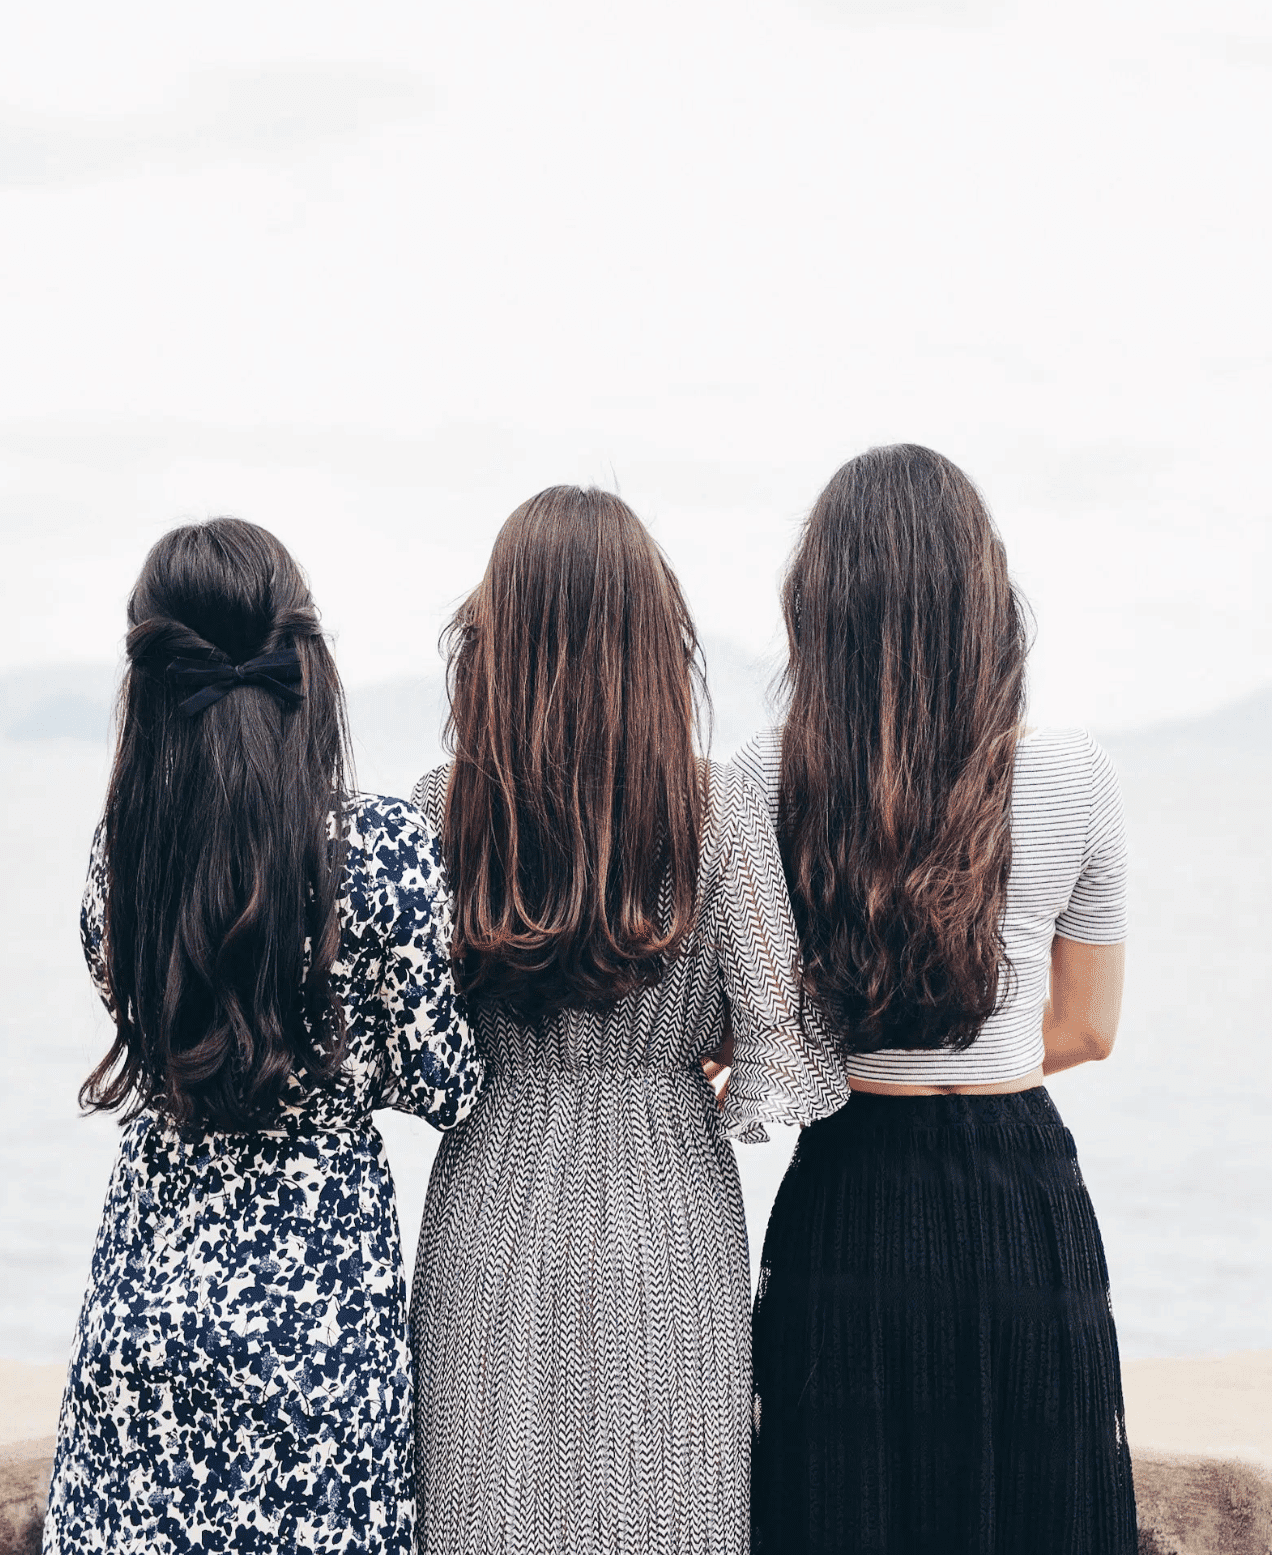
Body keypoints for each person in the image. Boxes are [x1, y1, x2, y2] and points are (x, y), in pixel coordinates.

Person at [407, 486, 846, 1555]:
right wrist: (686, 1048)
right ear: (655, 635)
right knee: (668, 1509)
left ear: (495, 637)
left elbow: (408, 1044)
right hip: (666, 1199)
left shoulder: (438, 808)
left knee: (485, 1505)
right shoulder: (717, 805)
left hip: (491, 1187)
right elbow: (788, 1032)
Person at [43, 518, 482, 1555]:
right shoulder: (380, 850)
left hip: (144, 1299)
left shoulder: (124, 858)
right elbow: (444, 1083)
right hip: (321, 1325)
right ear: (307, 668)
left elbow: (150, 1020)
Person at [738, 445, 1137, 1555]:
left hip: (851, 1185)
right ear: (985, 596)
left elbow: (759, 1024)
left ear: (819, 602)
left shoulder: (764, 778)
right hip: (1021, 1191)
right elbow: (1090, 1028)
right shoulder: (1073, 774)